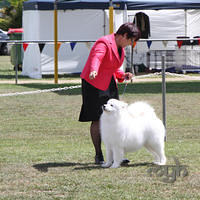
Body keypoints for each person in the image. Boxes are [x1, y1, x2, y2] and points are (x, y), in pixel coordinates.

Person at [79, 22, 141, 164]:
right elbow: (97, 57)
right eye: (131, 41)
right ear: (124, 35)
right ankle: (99, 155)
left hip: (109, 83)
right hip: (93, 83)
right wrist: (93, 70)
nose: (131, 44)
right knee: (97, 119)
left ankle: (117, 154)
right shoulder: (104, 42)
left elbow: (114, 66)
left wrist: (122, 75)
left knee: (116, 118)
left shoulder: (120, 47)